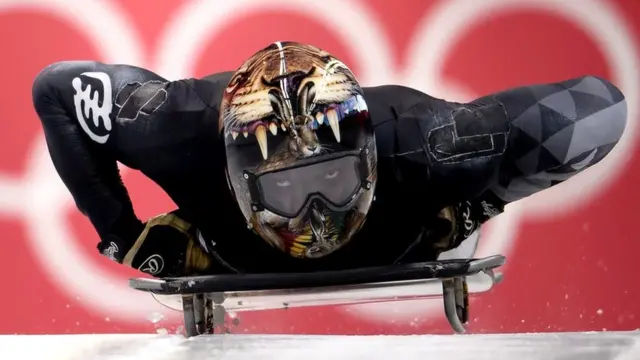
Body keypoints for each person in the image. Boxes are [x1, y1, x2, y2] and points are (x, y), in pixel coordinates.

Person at [31, 41, 627, 278]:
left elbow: (602, 111)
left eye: (336, 180)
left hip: (406, 205)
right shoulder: (178, 131)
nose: (316, 218)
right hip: (223, 234)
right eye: (287, 191)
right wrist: (123, 236)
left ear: (369, 160)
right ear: (237, 181)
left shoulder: (425, 144)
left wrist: (482, 201)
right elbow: (53, 88)